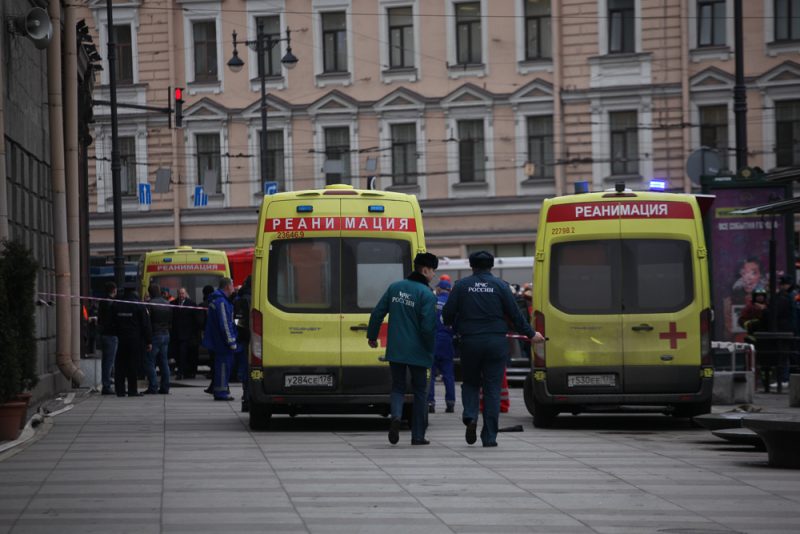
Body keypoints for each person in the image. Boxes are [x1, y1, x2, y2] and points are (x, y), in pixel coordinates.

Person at [442, 251, 544, 447]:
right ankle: (489, 437)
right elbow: (515, 315)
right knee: (492, 389)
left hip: (470, 341)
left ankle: (470, 416)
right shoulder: (501, 286)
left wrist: (454, 327)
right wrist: (531, 335)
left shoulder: (461, 286)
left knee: (471, 382)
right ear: (491, 266)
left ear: (471, 266)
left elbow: (448, 313)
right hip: (496, 342)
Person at [367, 252, 438, 446]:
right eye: (433, 272)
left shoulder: (395, 288)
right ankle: (417, 436)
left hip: (397, 349)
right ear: (425, 270)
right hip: (419, 351)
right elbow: (428, 328)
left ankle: (396, 416)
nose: (434, 276)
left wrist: (372, 336)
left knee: (398, 387)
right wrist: (430, 349)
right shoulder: (427, 294)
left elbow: (377, 313)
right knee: (420, 391)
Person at [111, 283, 152, 397]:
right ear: (135, 291)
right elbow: (145, 324)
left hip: (120, 338)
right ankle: (132, 390)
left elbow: (112, 322)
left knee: (120, 365)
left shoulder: (117, 304)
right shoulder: (139, 305)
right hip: (135, 339)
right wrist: (148, 341)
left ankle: (120, 390)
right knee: (132, 364)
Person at [203, 278, 238, 401]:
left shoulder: (217, 300)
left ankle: (220, 391)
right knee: (223, 367)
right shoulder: (222, 302)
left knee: (221, 367)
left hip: (218, 342)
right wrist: (231, 341)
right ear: (228, 287)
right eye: (232, 286)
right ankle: (221, 393)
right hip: (222, 344)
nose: (234, 288)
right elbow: (225, 324)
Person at [428, 279, 456, 414]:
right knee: (448, 374)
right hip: (447, 341)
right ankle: (450, 403)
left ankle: (430, 403)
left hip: (432, 340)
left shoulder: (432, 302)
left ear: (438, 289)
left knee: (431, 375)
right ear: (449, 290)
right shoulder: (452, 303)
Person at [145, 284, 172, 394]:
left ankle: (153, 386)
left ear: (150, 292)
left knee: (150, 361)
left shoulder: (150, 305)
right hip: (166, 334)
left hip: (155, 335)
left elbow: (147, 323)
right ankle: (165, 387)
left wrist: (148, 339)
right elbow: (171, 320)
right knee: (164, 361)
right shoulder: (167, 303)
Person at [233, 276, 253, 412]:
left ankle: (246, 398)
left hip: (242, 338)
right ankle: (248, 398)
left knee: (245, 370)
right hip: (252, 338)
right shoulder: (252, 297)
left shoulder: (239, 298)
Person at [171, 287, 198, 380]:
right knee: (178, 355)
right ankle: (181, 371)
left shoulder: (191, 304)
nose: (181, 295)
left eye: (183, 293)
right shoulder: (173, 304)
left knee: (185, 355)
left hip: (188, 335)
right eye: (179, 293)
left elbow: (195, 320)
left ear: (186, 294)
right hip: (176, 334)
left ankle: (183, 372)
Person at [97, 281, 119, 395]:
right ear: (114, 290)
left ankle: (107, 382)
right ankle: (107, 385)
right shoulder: (112, 303)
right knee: (109, 362)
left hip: (103, 334)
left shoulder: (102, 301)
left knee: (105, 361)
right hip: (111, 335)